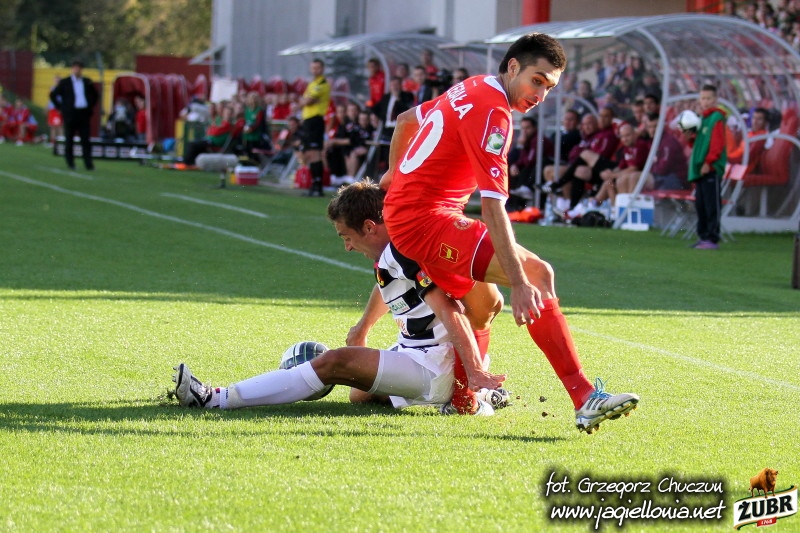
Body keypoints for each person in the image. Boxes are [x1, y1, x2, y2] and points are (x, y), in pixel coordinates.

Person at [379, 32, 639, 434]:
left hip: (416, 217)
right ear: (513, 66)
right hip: (426, 222)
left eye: (549, 87)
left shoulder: (473, 85)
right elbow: (492, 206)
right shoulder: (494, 112)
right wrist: (519, 281)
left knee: (484, 305)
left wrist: (393, 175)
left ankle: (464, 400)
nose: (541, 95)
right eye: (537, 81)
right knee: (537, 275)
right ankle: (584, 397)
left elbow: (405, 121)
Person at [171, 181, 505, 414]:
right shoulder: (390, 253)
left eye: (346, 236)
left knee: (336, 362)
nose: (346, 247)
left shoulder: (404, 251)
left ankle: (216, 398)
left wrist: (472, 370)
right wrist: (363, 327)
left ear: (370, 227)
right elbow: (389, 284)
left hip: (436, 364)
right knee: (359, 395)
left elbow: (450, 311)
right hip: (417, 353)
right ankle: (485, 394)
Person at [688, 84, 727, 250]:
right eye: (703, 98)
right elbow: (697, 144)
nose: (705, 101)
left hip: (710, 169)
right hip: (700, 169)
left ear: (716, 100)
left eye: (709, 98)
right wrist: (689, 137)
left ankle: (712, 237)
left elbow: (717, 144)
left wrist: (708, 162)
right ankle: (703, 237)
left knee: (711, 205)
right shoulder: (701, 119)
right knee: (701, 205)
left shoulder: (716, 118)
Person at [49, 60, 99, 170]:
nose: (77, 70)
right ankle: (70, 162)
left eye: (79, 68)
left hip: (83, 114)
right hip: (71, 114)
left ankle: (88, 164)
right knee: (69, 139)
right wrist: (61, 107)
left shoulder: (87, 82)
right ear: (72, 69)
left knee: (85, 140)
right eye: (75, 68)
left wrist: (90, 106)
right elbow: (53, 95)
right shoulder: (65, 82)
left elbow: (95, 95)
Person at [298, 58, 331, 197]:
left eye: (317, 68)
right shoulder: (312, 84)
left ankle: (318, 186)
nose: (315, 70)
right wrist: (305, 101)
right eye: (313, 68)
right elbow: (304, 101)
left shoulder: (322, 83)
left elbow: (307, 101)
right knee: (309, 154)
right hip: (308, 121)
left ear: (322, 69)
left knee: (315, 153)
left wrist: (305, 101)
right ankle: (314, 185)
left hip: (315, 120)